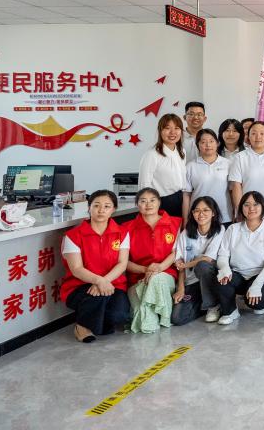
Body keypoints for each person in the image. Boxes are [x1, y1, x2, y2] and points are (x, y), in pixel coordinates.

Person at [60, 190, 131, 342]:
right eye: (96, 205)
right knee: (98, 297)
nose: (101, 210)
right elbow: (76, 269)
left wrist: (104, 281)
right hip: (80, 286)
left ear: (113, 209)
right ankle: (81, 327)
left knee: (119, 315)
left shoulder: (122, 232)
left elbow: (122, 263)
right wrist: (99, 281)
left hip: (113, 284)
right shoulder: (73, 235)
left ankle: (93, 320)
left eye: (107, 206)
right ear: (89, 207)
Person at [214, 191, 264, 324]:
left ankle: (256, 298)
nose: (251, 208)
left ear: (262, 207)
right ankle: (230, 311)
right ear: (241, 208)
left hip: (260, 275)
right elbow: (222, 256)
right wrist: (225, 269)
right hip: (237, 275)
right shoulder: (232, 229)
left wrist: (257, 284)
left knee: (257, 304)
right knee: (222, 279)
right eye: (246, 205)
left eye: (255, 204)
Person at [124, 187, 180, 333]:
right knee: (144, 322)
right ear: (137, 204)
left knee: (156, 280)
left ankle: (162, 318)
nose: (148, 204)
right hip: (137, 278)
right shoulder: (127, 228)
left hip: (165, 274)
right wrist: (145, 270)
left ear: (159, 202)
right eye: (143, 201)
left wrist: (159, 268)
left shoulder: (176, 223)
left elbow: (176, 253)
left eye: (152, 200)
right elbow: (123, 261)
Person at [171, 196, 224, 325]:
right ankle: (204, 303)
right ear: (192, 213)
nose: (201, 214)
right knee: (177, 318)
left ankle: (213, 305)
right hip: (192, 282)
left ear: (213, 213)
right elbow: (180, 264)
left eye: (206, 210)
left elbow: (208, 259)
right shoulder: (185, 234)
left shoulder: (220, 230)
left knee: (203, 265)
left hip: (212, 280)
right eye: (197, 211)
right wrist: (181, 288)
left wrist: (185, 265)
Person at [138, 113, 187, 218]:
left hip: (181, 199)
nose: (172, 132)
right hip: (162, 203)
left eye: (177, 128)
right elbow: (144, 185)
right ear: (160, 131)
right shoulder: (151, 154)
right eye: (167, 128)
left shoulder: (182, 151)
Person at [182, 129, 233, 226]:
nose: (208, 145)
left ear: (217, 143)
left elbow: (232, 191)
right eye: (203, 142)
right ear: (198, 145)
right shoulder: (190, 166)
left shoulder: (228, 164)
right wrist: (185, 220)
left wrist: (236, 213)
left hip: (224, 216)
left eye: (211, 141)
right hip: (199, 217)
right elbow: (186, 195)